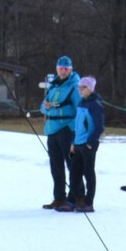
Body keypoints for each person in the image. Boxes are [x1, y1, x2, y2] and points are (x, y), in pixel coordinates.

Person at [57, 76, 104, 213]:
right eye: (79, 88)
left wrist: (90, 143)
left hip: (88, 145)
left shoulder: (95, 104)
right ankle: (72, 200)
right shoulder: (82, 103)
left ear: (90, 89)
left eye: (83, 88)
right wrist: (73, 142)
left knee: (88, 173)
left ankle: (88, 202)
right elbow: (77, 126)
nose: (80, 90)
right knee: (74, 173)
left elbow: (99, 127)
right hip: (78, 144)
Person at [39, 55, 80, 209]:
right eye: (61, 68)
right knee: (55, 165)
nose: (63, 71)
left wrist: (75, 133)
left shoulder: (75, 86)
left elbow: (79, 110)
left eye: (66, 68)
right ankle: (59, 197)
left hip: (66, 128)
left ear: (71, 69)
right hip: (52, 129)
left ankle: (77, 197)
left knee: (72, 164)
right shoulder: (53, 85)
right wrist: (46, 107)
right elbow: (43, 106)